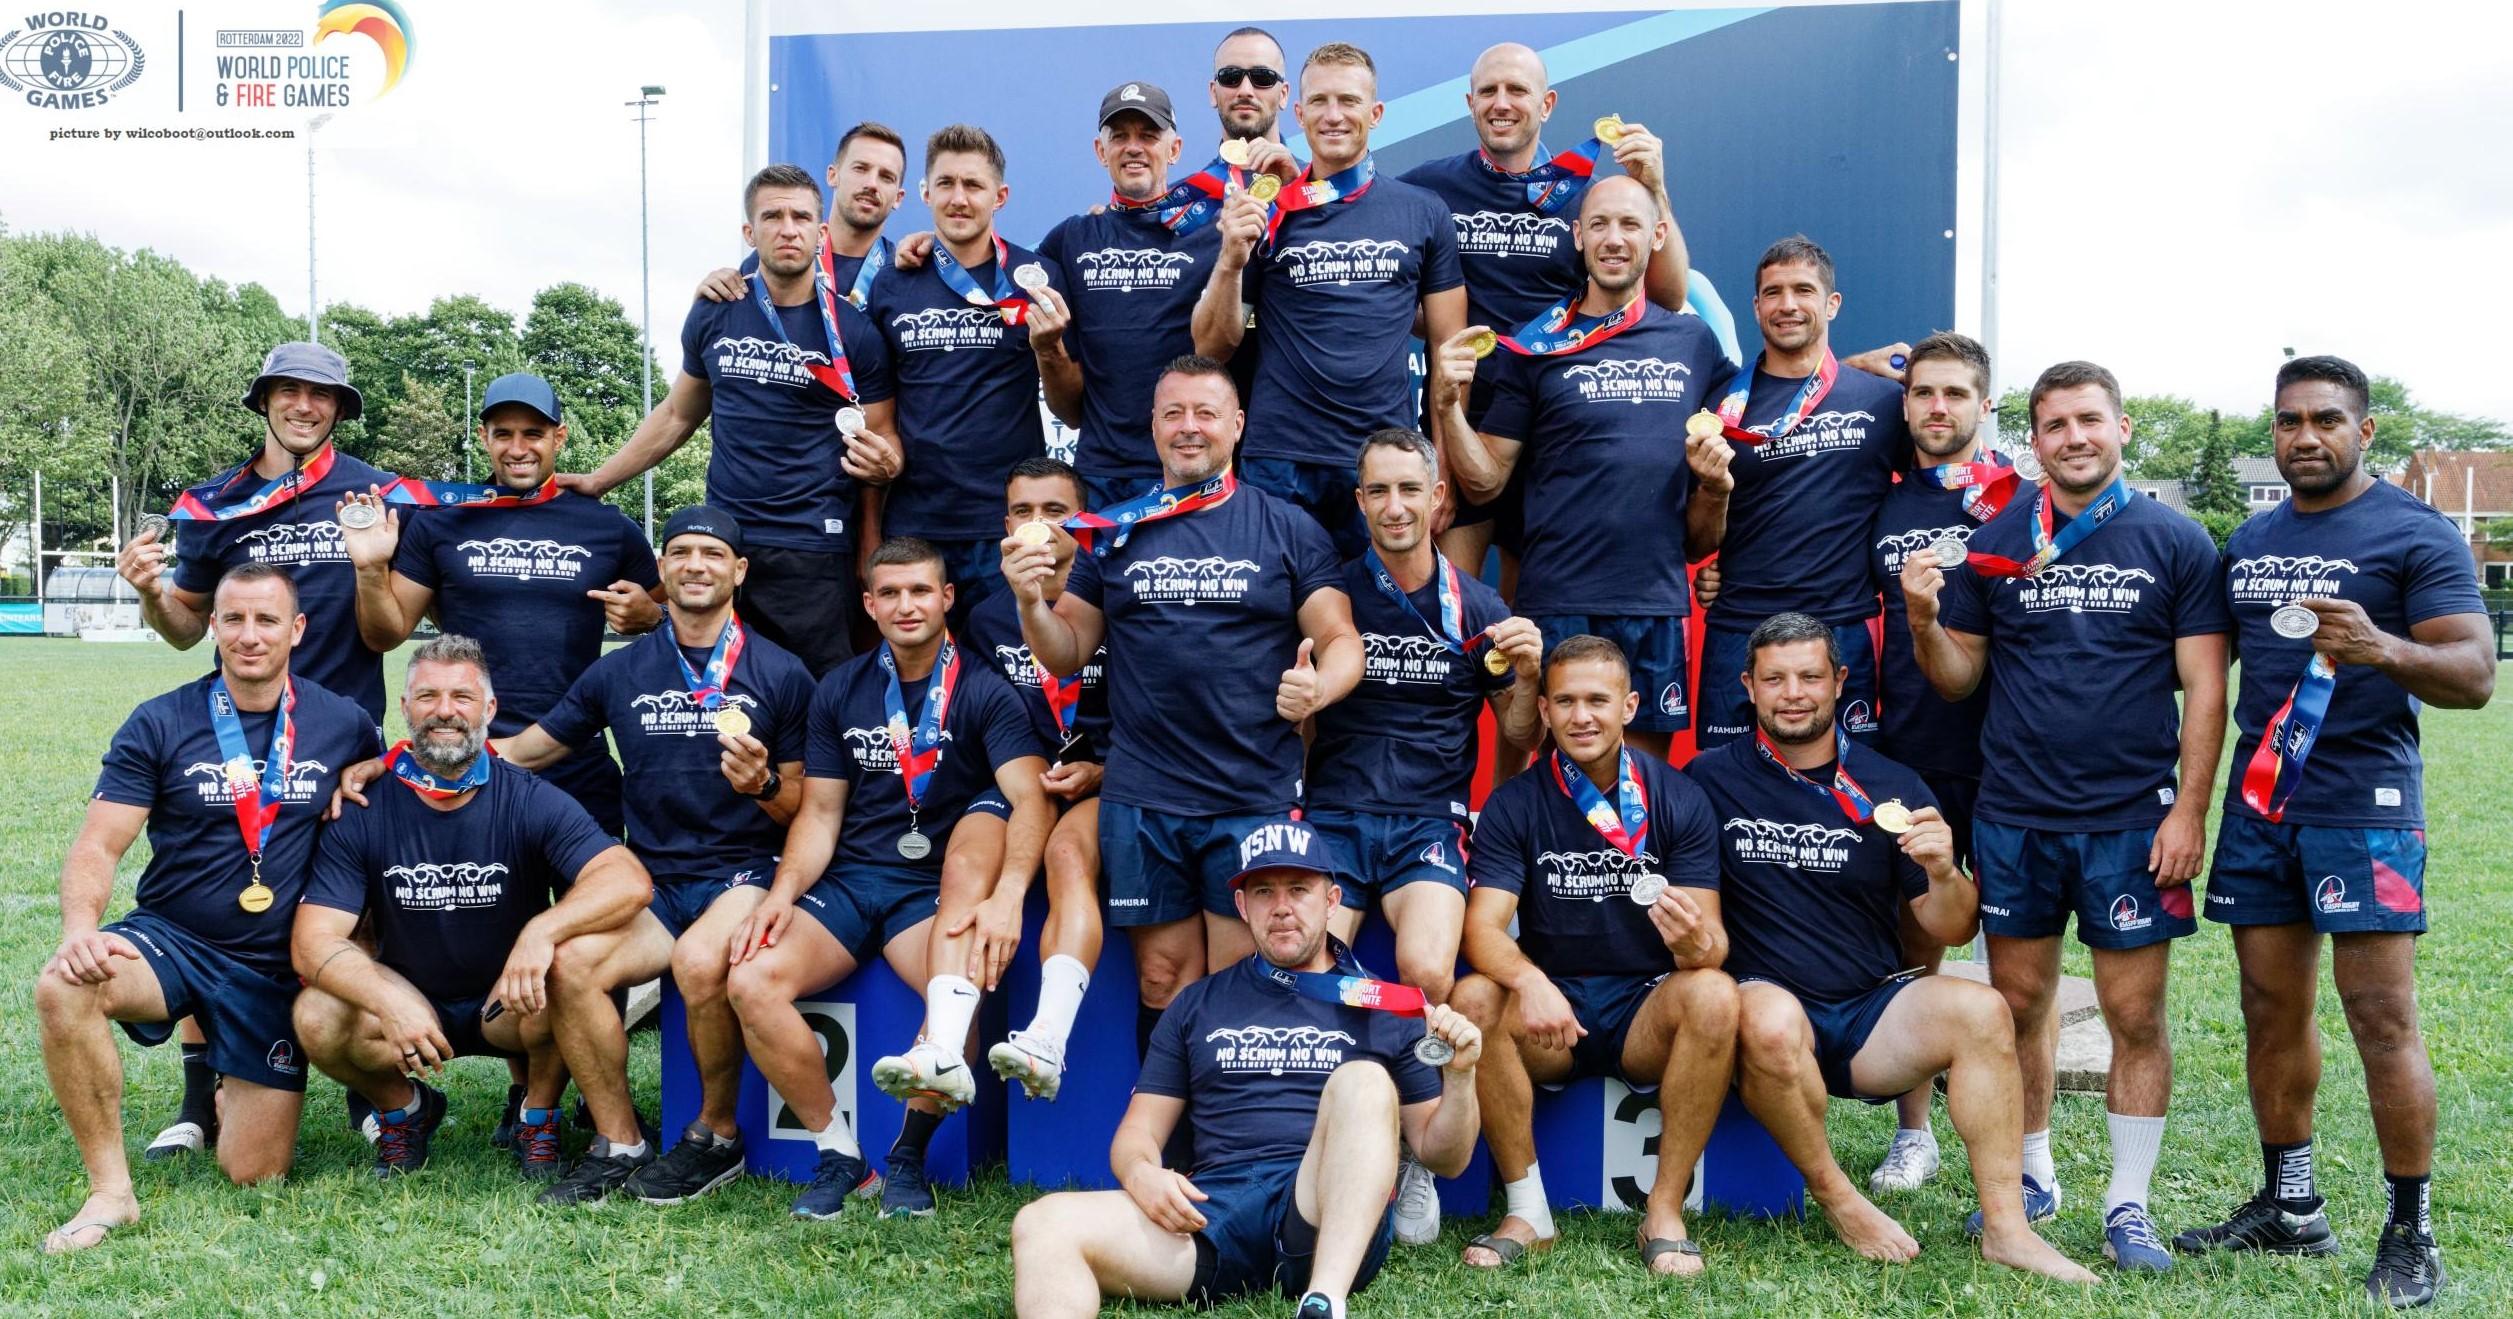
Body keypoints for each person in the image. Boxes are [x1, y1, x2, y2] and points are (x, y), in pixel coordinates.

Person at [2173, 355, 2494, 1309]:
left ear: (2363, 431)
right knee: (2268, 1007)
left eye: (2323, 419)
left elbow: (2474, 673)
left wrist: (2382, 647)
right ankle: (2291, 1204)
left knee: (2379, 1016)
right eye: (2286, 421)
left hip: (2366, 806)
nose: (2303, 436)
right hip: (2261, 805)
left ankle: (2410, 1227)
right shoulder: (2252, 536)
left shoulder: (2414, 531)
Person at [1902, 359, 2230, 1273]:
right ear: (2032, 439)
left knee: (2134, 1013)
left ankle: (2127, 1205)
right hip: (2014, 815)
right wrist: (1925, 621)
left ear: (2122, 428)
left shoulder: (2175, 540)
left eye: (2090, 419)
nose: (2074, 437)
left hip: (2132, 818)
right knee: (2015, 1007)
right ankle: (2033, 1174)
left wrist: (2188, 812)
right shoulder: (1994, 541)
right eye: (2054, 424)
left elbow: (2205, 689)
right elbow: (1958, 678)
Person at [1690, 612, 2098, 1282]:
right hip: (1757, 1016)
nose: (1793, 692)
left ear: (1839, 680)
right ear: (1748, 687)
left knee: (1982, 1010)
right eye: (1774, 678)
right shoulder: (1704, 780)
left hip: (1863, 1014)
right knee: (1765, 1015)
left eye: (1809, 676)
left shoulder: (1891, 784)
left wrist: (1943, 870)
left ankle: (2007, 1227)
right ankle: (1840, 1199)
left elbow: (1951, 926)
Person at [1002, 355, 1362, 1058]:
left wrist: (1320, 687)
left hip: (1249, 791)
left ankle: (1235, 1154)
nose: (1189, 427)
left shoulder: (1287, 527)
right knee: (1162, 979)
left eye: (1204, 413)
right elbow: (1066, 649)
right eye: (1173, 413)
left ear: (1237, 425)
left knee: (1239, 983)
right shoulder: (1113, 531)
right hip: (1145, 796)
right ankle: (1163, 1153)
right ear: (1153, 428)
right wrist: (1027, 601)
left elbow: (1341, 637)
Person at [1008, 817, 1484, 1319]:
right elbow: (1137, 1134)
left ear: (1331, 900)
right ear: (1241, 905)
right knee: (1042, 1224)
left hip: (1322, 1215)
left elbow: (1445, 1157)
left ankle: (1322, 1303)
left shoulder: (1386, 1005)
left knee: (1363, 1080)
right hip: (1212, 1215)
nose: (1281, 907)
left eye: (1299, 889)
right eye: (1263, 891)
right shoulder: (1197, 1004)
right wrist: (1143, 1173)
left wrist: (1460, 1076)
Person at [35, 564, 377, 1254]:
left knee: (256, 1172)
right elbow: (100, 844)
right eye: (234, 619)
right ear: (213, 626)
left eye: (267, 620)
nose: (250, 636)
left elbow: (374, 825)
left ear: (297, 630)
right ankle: (111, 1191)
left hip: (277, 963)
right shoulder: (161, 720)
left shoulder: (345, 723)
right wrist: (80, 930)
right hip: (174, 939)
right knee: (63, 985)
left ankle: (233, 1085)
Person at [490, 506, 818, 1205]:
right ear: (661, 572)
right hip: (654, 876)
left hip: (745, 872)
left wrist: (760, 784)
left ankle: (716, 1134)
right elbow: (528, 749)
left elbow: (803, 807)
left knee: (700, 961)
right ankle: (619, 1141)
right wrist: (413, 759)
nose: (695, 563)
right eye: (680, 552)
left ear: (738, 570)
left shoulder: (783, 672)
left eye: (710, 552)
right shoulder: (620, 670)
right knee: (574, 965)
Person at [111, 345, 392, 1160]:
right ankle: (202, 1099)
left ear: (339, 408)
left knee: (348, 911)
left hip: (341, 738)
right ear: (263, 399)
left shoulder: (374, 495)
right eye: (288, 391)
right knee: (214, 896)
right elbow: (186, 630)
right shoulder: (213, 504)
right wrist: (151, 594)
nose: (304, 405)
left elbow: (389, 627)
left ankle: (355, 1093)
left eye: (321, 395)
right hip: (233, 730)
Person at [723, 538, 1051, 1221]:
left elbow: (1029, 799)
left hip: (926, 891)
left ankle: (906, 1156)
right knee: (750, 980)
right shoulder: (841, 687)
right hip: (846, 884)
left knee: (954, 992)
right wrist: (782, 896)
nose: (907, 605)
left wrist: (1007, 895)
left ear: (946, 597)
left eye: (920, 591)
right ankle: (840, 1154)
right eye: (891, 593)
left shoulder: (984, 690)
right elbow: (817, 812)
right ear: (870, 605)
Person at [292, 635, 657, 1188]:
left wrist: (544, 929)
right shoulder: (365, 807)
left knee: (567, 971)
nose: (444, 711)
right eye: (428, 696)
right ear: (405, 707)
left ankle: (538, 1117)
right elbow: (313, 941)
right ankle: (403, 1110)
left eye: (462, 697)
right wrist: (386, 998)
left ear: (489, 709)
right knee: (316, 1014)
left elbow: (628, 880)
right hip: (410, 1001)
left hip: (509, 1003)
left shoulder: (529, 796)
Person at [1449, 636, 1736, 1276]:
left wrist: (1695, 944)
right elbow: (1482, 929)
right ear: (1544, 711)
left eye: (1599, 700)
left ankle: (1663, 1211)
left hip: (1645, 1008)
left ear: (1630, 705)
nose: (1583, 716)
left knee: (1716, 993)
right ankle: (1528, 1211)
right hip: (1553, 1012)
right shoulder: (1517, 802)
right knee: (1472, 999)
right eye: (1567, 701)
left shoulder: (1678, 797)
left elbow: (1712, 944)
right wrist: (1529, 980)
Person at [1432, 175, 1736, 763]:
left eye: (1630, 225)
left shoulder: (1694, 342)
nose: (1614, 238)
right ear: (1577, 235)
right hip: (1557, 599)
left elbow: (1765, 411)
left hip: (1653, 602)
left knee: (1640, 782)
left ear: (1657, 236)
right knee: (1542, 778)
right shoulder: (1536, 345)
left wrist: (1852, 370)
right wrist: (1447, 407)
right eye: (1599, 224)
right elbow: (1487, 479)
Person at [572, 164, 903, 677]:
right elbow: (678, 413)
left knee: (813, 705)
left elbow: (883, 442)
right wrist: (599, 479)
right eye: (772, 216)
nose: (787, 228)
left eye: (800, 217)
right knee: (722, 697)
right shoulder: (714, 312)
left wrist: (877, 509)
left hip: (812, 548)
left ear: (821, 233)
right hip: (726, 541)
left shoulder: (855, 331)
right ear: (750, 233)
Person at [1397, 41, 1695, 575]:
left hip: (1554, 420)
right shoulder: (1427, 190)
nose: (1501, 103)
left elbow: (1670, 296)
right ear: (1469, 103)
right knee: (1453, 607)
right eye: (1488, 91)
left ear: (1548, 104)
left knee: (1528, 616)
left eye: (1517, 90)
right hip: (1464, 417)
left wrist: (1655, 187)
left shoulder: (1588, 197)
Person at [339, 371, 661, 837]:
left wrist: (652, 617)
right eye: (503, 434)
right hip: (469, 751)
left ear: (559, 437)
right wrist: (370, 569)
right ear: (483, 438)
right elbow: (384, 634)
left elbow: (676, 611)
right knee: (484, 905)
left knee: (598, 897)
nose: (518, 448)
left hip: (575, 752)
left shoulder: (607, 527)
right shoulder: (441, 521)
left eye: (533, 433)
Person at [1192, 41, 1467, 556]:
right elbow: (1212, 347)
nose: (1334, 116)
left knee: (1373, 625)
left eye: (1349, 101)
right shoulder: (1268, 210)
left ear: (1376, 113)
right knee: (1273, 624)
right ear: (1298, 112)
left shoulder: (1424, 212)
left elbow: (1450, 356)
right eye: (1319, 102)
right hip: (1279, 461)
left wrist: (1441, 468)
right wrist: (1231, 257)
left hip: (1380, 463)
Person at [1862, 331, 2014, 1192]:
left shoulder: (2019, 500)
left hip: (2009, 759)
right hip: (1912, 752)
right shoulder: (1879, 504)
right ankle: (1912, 1132)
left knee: (2016, 966)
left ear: (1982, 403)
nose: (1936, 408)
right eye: (1921, 393)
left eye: (1955, 394)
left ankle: (2024, 1154)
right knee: (1916, 947)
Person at [1696, 236, 1912, 749]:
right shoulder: (1720, 405)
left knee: (1851, 785)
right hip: (1740, 626)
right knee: (1725, 787)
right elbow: (1695, 538)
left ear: (1832, 304)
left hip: (1841, 628)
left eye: (1803, 290)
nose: (1787, 305)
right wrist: (1711, 492)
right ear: (1756, 306)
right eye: (1773, 292)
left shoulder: (1884, 401)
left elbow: (1935, 482)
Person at [864, 123, 1074, 631]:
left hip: (1006, 526)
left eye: (974, 186)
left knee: (1008, 678)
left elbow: (1072, 405)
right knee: (919, 676)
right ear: (924, 193)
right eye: (946, 184)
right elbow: (877, 418)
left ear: (999, 196)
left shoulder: (1038, 278)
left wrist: (1049, 350)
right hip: (916, 523)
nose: (959, 199)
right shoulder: (891, 283)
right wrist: (869, 540)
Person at [963, 459, 1112, 1101]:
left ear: (1083, 523)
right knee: (968, 858)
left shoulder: (1117, 595)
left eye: (1055, 512)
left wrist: (1105, 769)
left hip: (1107, 779)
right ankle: (941, 1043)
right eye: (1023, 512)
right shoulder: (985, 617)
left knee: (1066, 854)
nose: (1038, 527)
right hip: (1023, 777)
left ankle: (1046, 1036)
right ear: (1005, 527)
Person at [1032, 82, 1227, 510]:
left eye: (1148, 135)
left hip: (1190, 467)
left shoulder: (1214, 236)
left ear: (1174, 149)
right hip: (1102, 475)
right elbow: (993, 267)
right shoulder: (1069, 240)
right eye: (1119, 136)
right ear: (1101, 151)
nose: (1133, 147)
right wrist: (930, 249)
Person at [698, 121, 912, 311]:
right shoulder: (774, 256)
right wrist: (707, 300)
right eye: (860, 168)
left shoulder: (904, 274)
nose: (871, 184)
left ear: (898, 198)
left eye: (886, 177)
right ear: (832, 175)